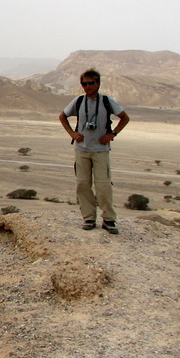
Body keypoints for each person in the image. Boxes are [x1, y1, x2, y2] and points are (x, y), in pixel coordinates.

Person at [59, 69, 130, 234]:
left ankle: (109, 219)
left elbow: (125, 118)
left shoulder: (107, 101)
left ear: (98, 83)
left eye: (91, 83)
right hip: (81, 149)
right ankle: (89, 217)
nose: (87, 86)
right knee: (82, 184)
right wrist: (71, 133)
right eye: (84, 83)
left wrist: (112, 134)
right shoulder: (78, 101)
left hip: (100, 150)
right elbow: (63, 116)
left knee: (103, 185)